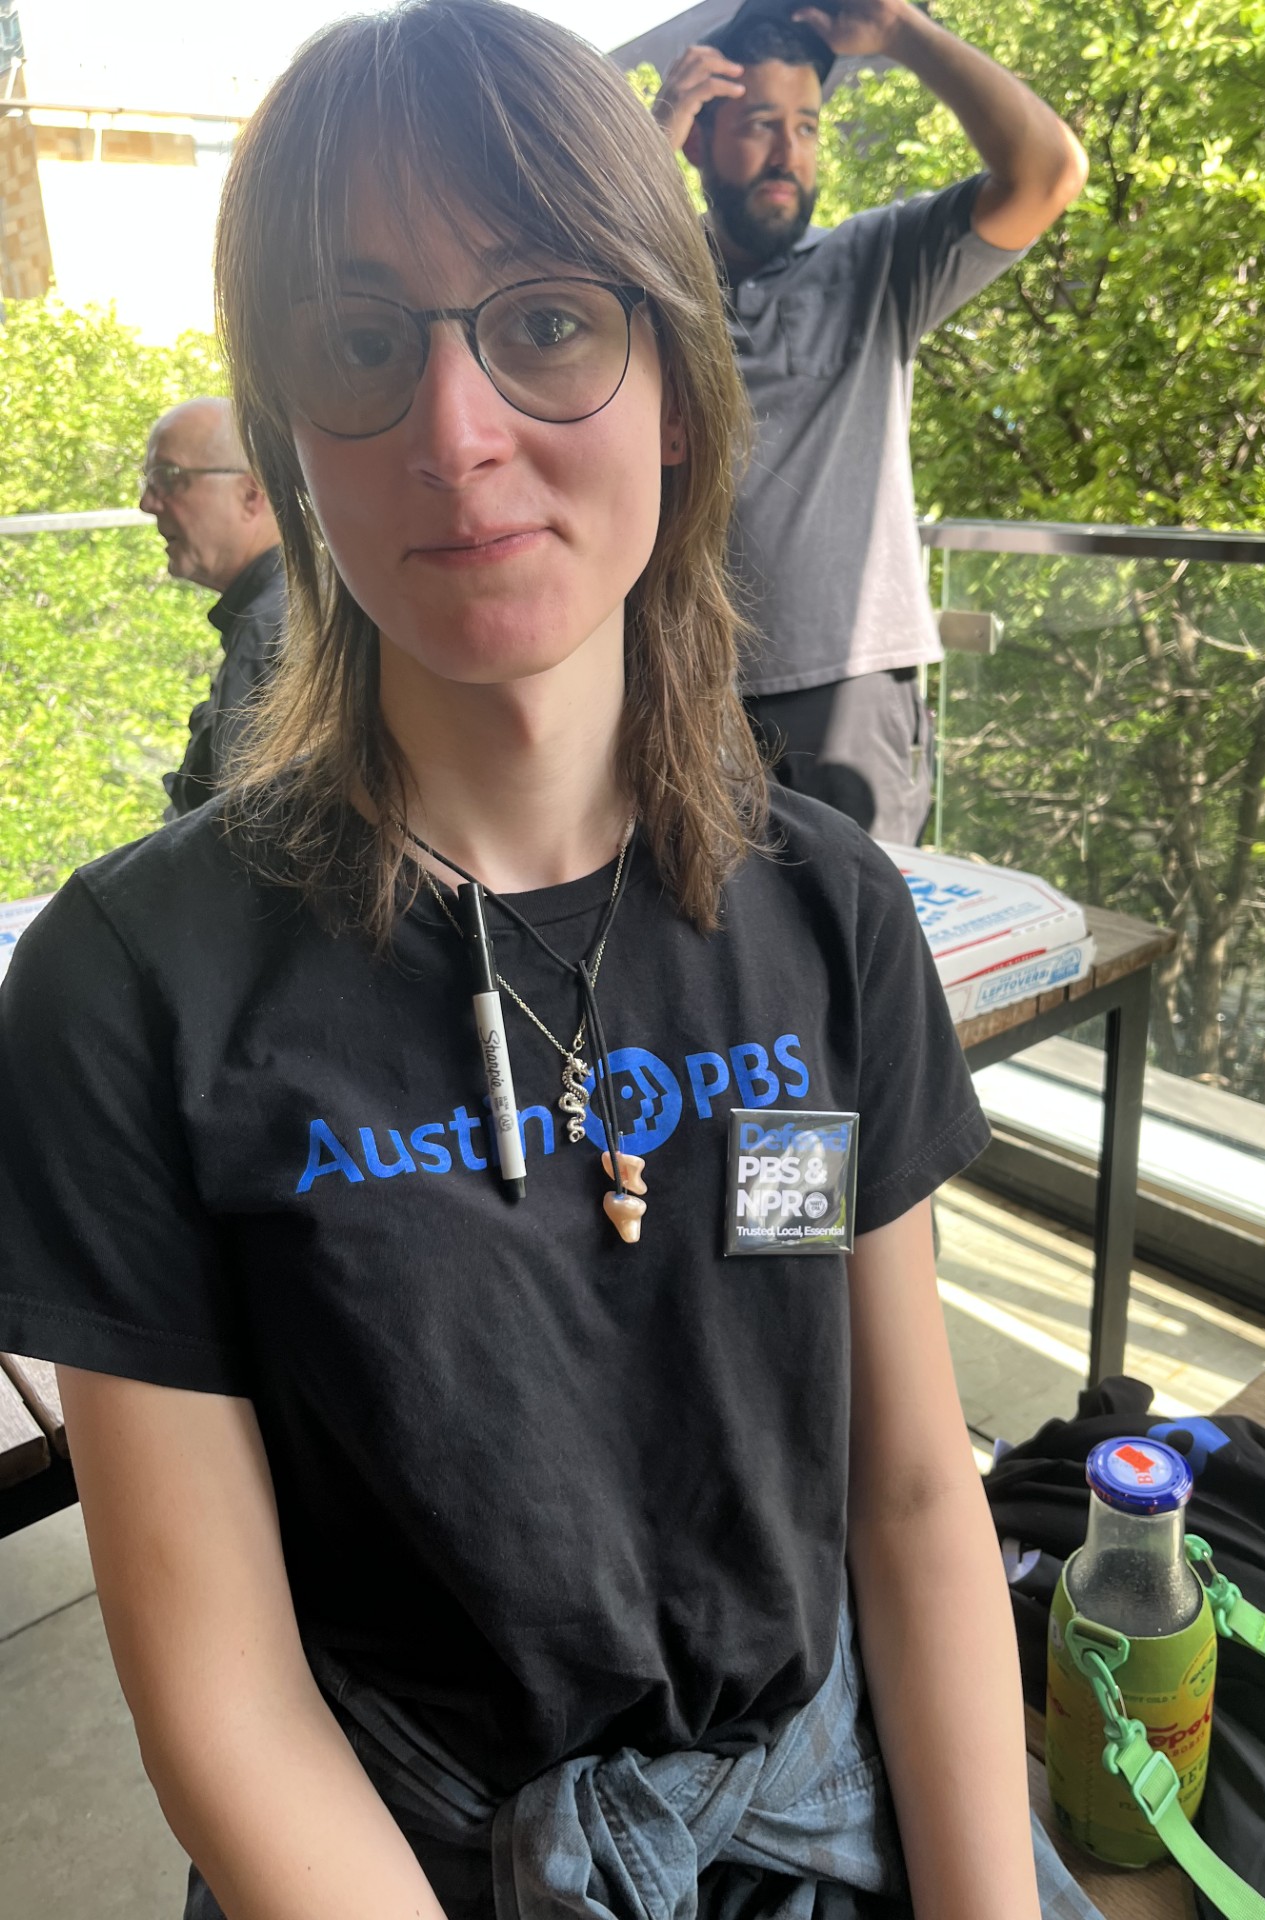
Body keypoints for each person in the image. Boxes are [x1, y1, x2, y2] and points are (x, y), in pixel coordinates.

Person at [0, 7, 1100, 1918]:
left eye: (549, 321)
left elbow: (917, 1496)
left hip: (817, 1817)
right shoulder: (129, 987)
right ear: (289, 433)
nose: (456, 433)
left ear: (676, 386)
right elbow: (228, 1704)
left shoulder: (831, 915)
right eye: (362, 342)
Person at [653, 1, 1087, 842]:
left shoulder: (875, 262)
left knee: (866, 922)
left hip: (851, 693)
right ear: (699, 140)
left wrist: (900, 33)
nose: (789, 154)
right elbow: (537, 287)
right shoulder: (648, 279)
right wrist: (649, 137)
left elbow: (1049, 173)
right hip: (687, 688)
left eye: (807, 127)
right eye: (761, 125)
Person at [139, 396, 286, 816]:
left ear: (251, 493)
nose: (147, 503)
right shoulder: (276, 608)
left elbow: (239, 835)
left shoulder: (270, 628)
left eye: (169, 477)